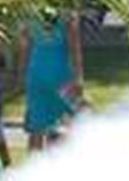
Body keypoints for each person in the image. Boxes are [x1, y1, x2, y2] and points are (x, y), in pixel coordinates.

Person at [18, 12, 85, 151]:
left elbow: (24, 48)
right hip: (61, 75)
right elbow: (75, 49)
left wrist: (22, 74)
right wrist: (79, 77)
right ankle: (57, 160)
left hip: (36, 74)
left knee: (36, 127)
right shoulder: (68, 15)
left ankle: (35, 163)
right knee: (62, 122)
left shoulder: (29, 14)